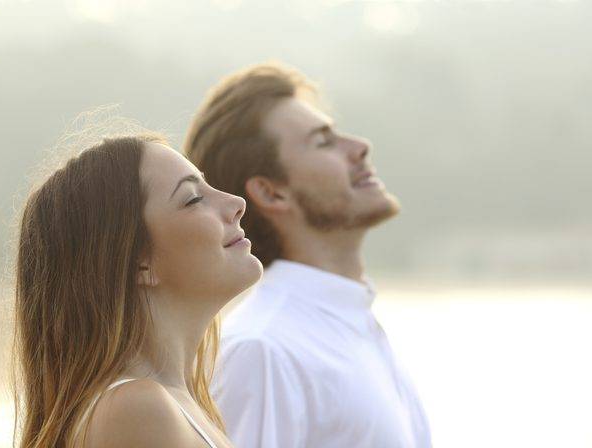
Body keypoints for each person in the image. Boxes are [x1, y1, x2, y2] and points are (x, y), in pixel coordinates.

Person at [184, 62, 432, 448]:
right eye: (323, 141)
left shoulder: (350, 324)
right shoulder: (263, 349)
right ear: (271, 193)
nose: (360, 146)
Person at [12, 132, 262, 448]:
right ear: (138, 263)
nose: (236, 202)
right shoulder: (137, 409)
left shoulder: (181, 406)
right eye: (193, 198)